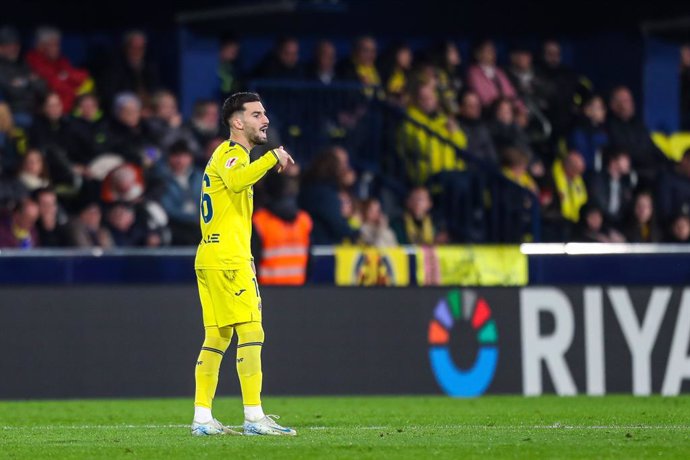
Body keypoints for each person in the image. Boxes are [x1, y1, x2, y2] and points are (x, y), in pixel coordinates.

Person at [192, 92, 296, 437]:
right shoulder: (232, 154)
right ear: (237, 122)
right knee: (252, 330)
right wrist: (272, 158)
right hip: (228, 259)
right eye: (256, 114)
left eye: (264, 113)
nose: (264, 119)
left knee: (218, 337)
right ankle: (254, 417)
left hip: (212, 255)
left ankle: (203, 419)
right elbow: (238, 181)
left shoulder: (225, 156)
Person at [26, 27, 92, 112]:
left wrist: (66, 76)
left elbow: (82, 76)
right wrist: (66, 78)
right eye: (52, 45)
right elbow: (56, 84)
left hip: (69, 107)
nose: (57, 48)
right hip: (53, 110)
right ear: (40, 46)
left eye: (57, 44)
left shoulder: (60, 60)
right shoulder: (34, 60)